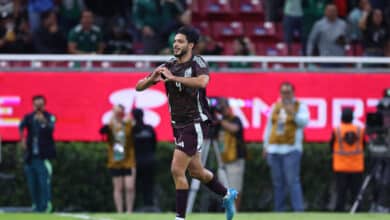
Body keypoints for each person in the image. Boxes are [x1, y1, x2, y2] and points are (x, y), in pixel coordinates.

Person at [135, 26, 237, 220]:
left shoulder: (198, 62)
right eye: (174, 41)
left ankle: (180, 218)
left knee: (176, 169)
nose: (175, 44)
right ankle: (227, 194)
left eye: (180, 41)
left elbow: (202, 82)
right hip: (177, 125)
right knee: (197, 172)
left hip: (194, 122)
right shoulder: (169, 64)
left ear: (191, 45)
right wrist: (153, 79)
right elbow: (138, 87)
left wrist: (174, 79)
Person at [263, 82, 310, 212]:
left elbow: (304, 123)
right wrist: (265, 145)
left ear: (293, 93)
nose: (286, 95)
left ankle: (298, 211)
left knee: (292, 182)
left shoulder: (300, 106)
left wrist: (293, 114)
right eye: (283, 92)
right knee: (278, 184)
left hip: (291, 149)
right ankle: (279, 211)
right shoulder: (275, 106)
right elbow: (269, 127)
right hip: (274, 149)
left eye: (288, 92)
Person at [19, 95, 56, 212]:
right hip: (30, 156)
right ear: (33, 105)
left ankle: (45, 206)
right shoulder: (29, 117)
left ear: (44, 105)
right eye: (36, 105)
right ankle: (36, 205)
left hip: (43, 157)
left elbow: (52, 128)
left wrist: (43, 121)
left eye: (41, 105)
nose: (38, 107)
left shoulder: (49, 116)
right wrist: (23, 139)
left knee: (43, 183)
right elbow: (21, 126)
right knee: (32, 183)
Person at [100, 104, 136, 213]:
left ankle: (129, 211)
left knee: (129, 187)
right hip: (115, 161)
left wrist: (129, 120)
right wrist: (111, 120)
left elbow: (136, 131)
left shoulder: (129, 124)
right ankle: (120, 212)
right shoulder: (110, 124)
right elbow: (102, 131)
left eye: (120, 112)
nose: (118, 114)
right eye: (115, 112)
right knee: (118, 188)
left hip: (128, 160)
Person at [330, 108, 365, 211]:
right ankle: (357, 210)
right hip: (356, 166)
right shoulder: (360, 130)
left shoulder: (337, 130)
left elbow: (331, 145)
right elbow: (364, 145)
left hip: (340, 166)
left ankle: (340, 210)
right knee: (356, 191)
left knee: (341, 191)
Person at [216, 98, 246, 211]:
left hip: (235, 160)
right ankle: (227, 211)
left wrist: (220, 121)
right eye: (220, 108)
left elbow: (234, 129)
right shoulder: (218, 123)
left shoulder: (235, 119)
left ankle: (235, 212)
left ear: (229, 108)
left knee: (235, 188)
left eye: (223, 108)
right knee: (223, 189)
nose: (222, 111)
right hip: (223, 160)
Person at [132, 108, 158, 210]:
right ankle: (149, 205)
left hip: (136, 161)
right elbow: (154, 145)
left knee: (135, 185)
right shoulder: (149, 129)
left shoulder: (132, 130)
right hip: (150, 160)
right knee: (149, 184)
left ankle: (134, 207)